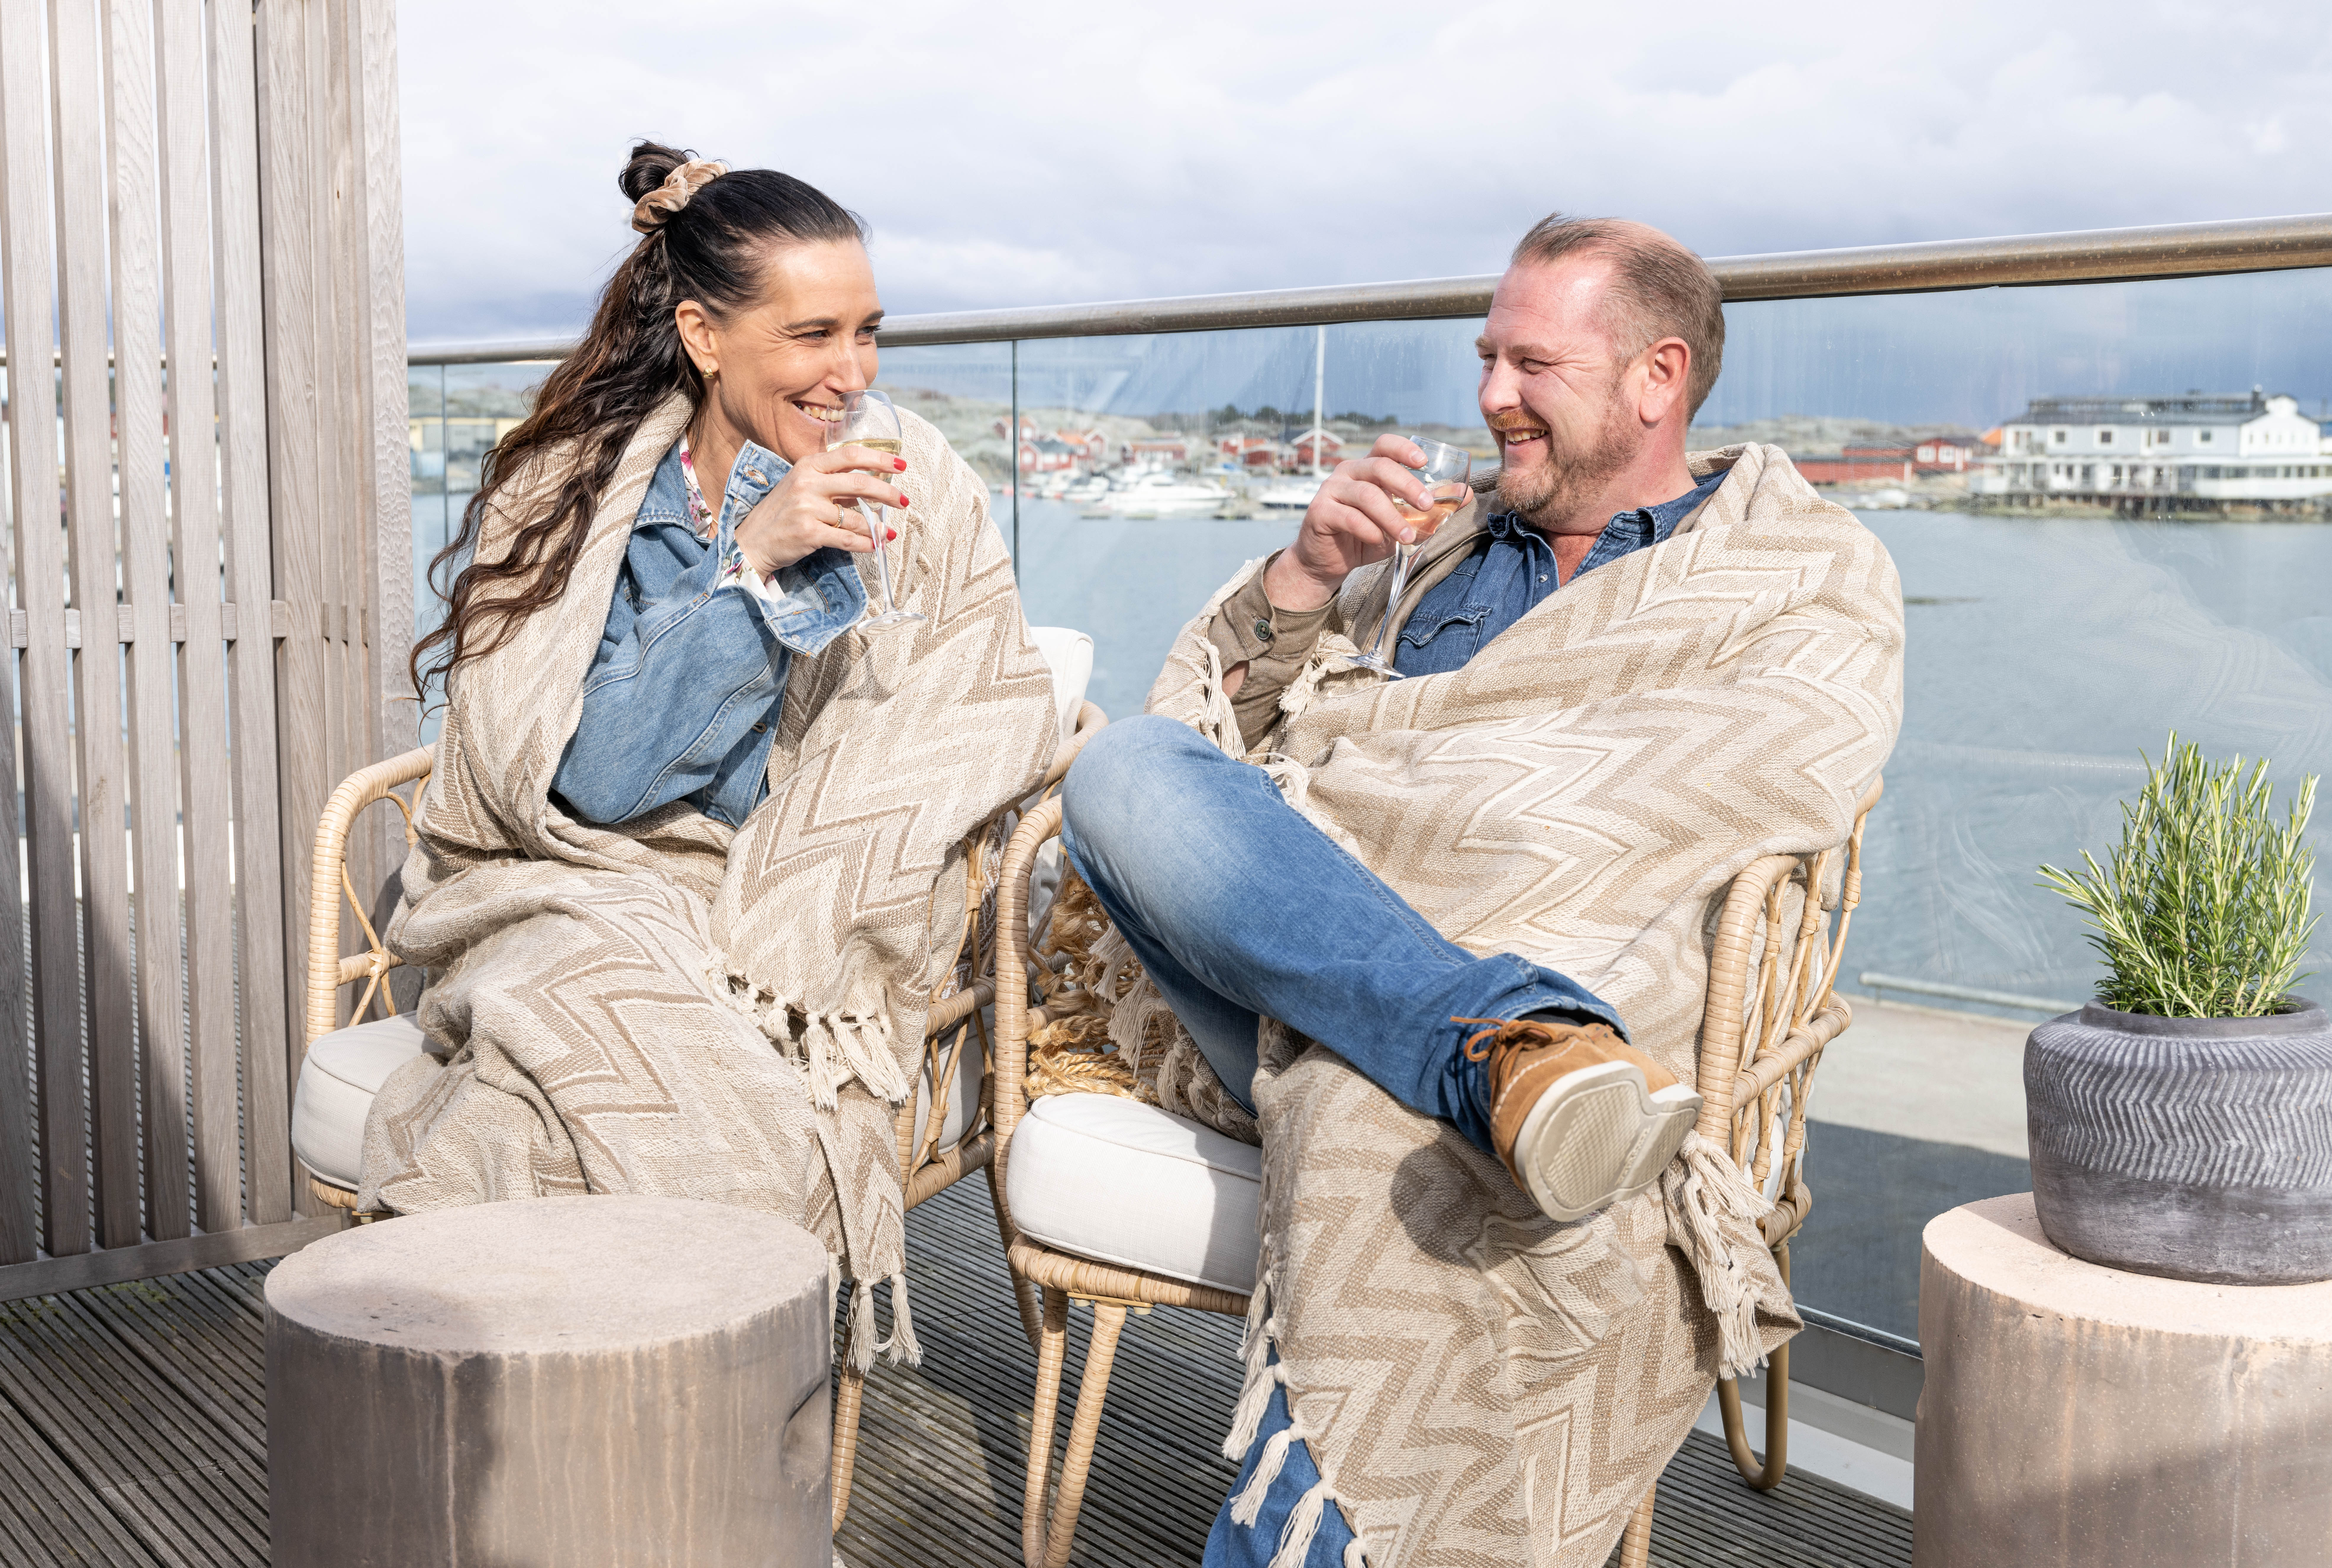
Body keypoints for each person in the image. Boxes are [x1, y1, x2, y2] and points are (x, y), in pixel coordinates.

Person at [1060, 216, 1903, 1564]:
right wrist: (1305, 579)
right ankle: (1492, 1043)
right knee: (1126, 773)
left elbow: (1761, 777)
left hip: (1577, 996)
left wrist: (1420, 809)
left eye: (1531, 364)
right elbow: (1224, 747)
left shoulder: (1789, 573)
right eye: (1486, 358)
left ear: (1656, 377)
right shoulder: (1427, 550)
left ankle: (1485, 1053)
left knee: (1353, 1106)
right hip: (1308, 963)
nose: (1490, 397)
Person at [364, 143, 1060, 1361]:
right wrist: (753, 574)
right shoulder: (580, 491)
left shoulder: (917, 481)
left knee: (546, 1090)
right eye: (812, 336)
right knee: (568, 1038)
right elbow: (589, 778)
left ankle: (602, 1441)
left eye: (870, 332)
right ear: (702, 333)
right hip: (582, 875)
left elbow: (988, 701)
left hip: (794, 917)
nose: (852, 374)